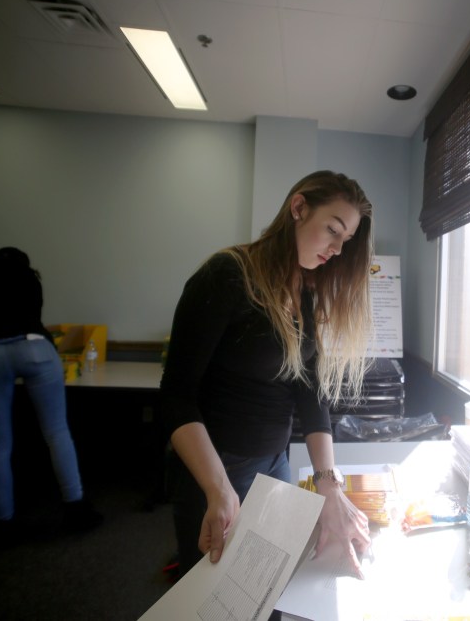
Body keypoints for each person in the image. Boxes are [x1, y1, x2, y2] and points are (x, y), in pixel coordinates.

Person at [160, 170, 374, 582]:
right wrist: (218, 489)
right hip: (216, 469)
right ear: (298, 208)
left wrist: (328, 484)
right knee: (213, 596)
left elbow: (310, 392)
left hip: (273, 463)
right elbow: (175, 395)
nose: (336, 249)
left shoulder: (304, 290)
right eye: (333, 230)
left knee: (266, 590)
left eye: (345, 241)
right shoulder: (227, 274)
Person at [0, 247, 102, 541]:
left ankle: (3, 523)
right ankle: (76, 508)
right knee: (57, 432)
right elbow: (33, 316)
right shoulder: (27, 277)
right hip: (34, 346)